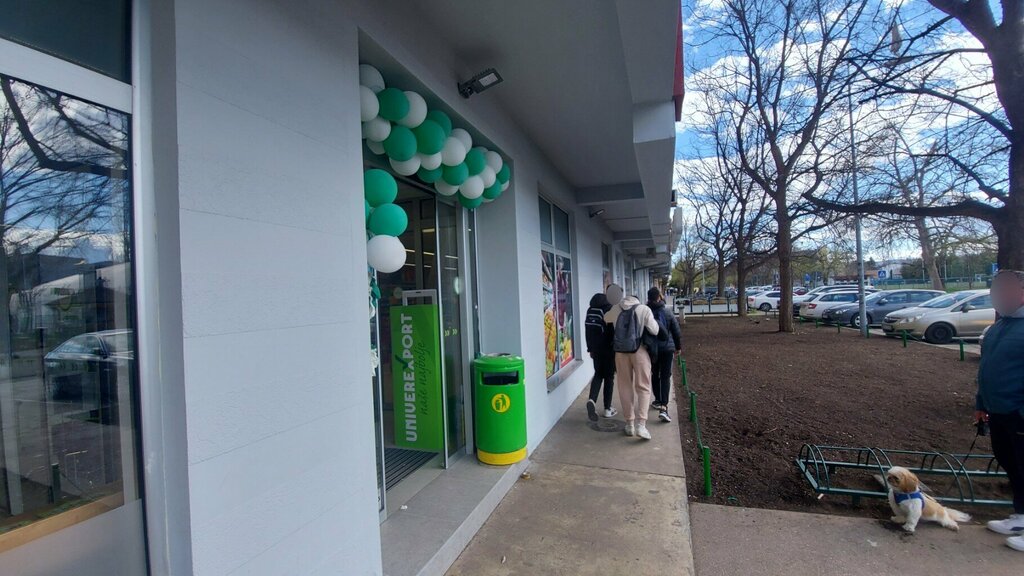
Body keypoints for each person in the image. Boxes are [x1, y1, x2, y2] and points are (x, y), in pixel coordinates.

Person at [976, 269, 1024, 551]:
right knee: (1011, 463)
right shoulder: (1002, 325)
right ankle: (1020, 515)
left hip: (1018, 412)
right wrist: (981, 404)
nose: (997, 295)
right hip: (999, 410)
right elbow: (987, 369)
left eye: (1004, 290)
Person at [605, 286, 660, 440]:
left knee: (624, 387)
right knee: (643, 387)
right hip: (639, 350)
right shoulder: (644, 309)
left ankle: (629, 424)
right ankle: (641, 425)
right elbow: (655, 330)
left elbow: (606, 319)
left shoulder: (616, 309)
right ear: (637, 299)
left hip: (620, 352)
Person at [647, 287, 681, 423]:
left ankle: (657, 399)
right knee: (665, 376)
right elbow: (676, 331)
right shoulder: (667, 312)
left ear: (649, 298)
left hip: (652, 349)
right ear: (659, 297)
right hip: (667, 349)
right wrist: (678, 347)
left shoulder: (646, 312)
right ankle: (664, 407)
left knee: (655, 374)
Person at [584, 292, 618, 421]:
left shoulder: (590, 310)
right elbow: (612, 332)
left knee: (598, 374)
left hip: (596, 351)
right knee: (609, 378)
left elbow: (587, 331)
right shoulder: (609, 310)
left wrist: (590, 349)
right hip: (608, 350)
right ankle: (607, 409)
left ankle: (592, 399)